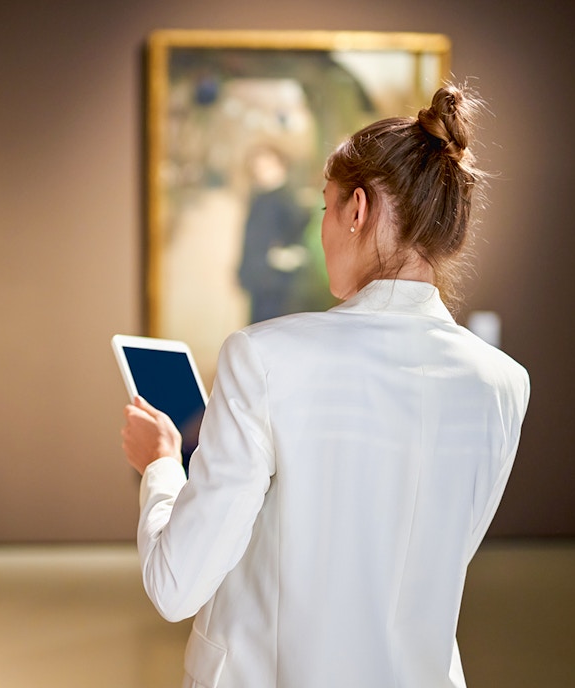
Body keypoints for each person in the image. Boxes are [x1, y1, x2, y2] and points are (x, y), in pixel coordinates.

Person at [120, 84, 530, 688]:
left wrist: (161, 466)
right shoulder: (504, 383)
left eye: (324, 209)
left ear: (356, 210)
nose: (322, 229)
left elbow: (175, 584)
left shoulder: (263, 357)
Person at [237, 145, 312, 323]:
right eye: (257, 166)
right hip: (258, 279)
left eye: (266, 165)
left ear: (280, 165)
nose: (261, 170)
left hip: (276, 284)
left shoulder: (288, 198)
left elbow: (298, 234)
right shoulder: (259, 197)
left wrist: (284, 256)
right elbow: (251, 239)